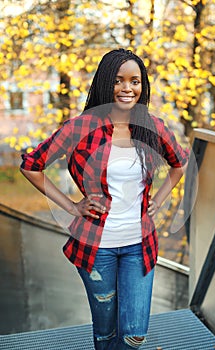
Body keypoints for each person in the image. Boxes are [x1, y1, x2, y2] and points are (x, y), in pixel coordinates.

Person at [20, 48, 189, 350]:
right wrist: (72, 206)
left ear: (142, 85)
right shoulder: (81, 127)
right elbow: (32, 166)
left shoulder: (152, 127)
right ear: (104, 83)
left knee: (134, 335)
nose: (127, 88)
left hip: (140, 245)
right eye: (118, 80)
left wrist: (160, 199)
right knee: (105, 334)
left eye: (135, 81)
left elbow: (180, 163)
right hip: (97, 249)